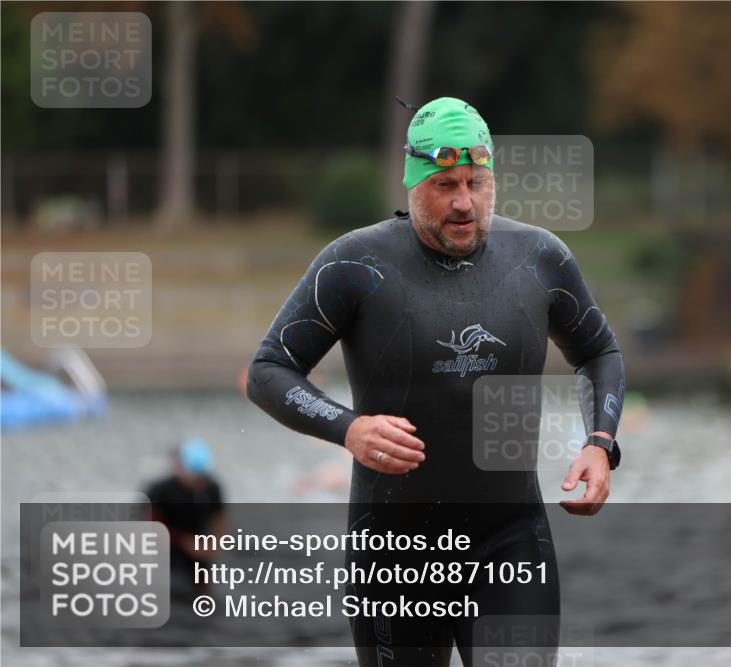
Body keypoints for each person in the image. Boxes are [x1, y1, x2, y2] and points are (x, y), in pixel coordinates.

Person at [246, 96, 625, 666]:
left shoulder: (540, 258)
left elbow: (599, 352)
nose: (465, 203)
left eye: (477, 182)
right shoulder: (354, 264)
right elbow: (268, 370)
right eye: (446, 184)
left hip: (510, 541)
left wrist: (600, 445)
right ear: (413, 184)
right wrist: (350, 429)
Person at [145, 438, 227, 597]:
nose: (198, 483)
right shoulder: (161, 490)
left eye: (201, 478)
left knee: (203, 589)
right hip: (166, 543)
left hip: (197, 545)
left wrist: (214, 545)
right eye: (194, 477)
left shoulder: (212, 488)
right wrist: (184, 541)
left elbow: (220, 520)